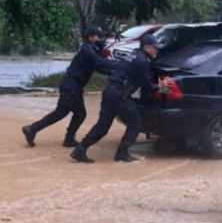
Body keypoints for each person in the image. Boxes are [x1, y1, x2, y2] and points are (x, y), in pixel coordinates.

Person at [70, 34, 168, 163]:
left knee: (102, 126)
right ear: (147, 47)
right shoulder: (142, 61)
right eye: (155, 48)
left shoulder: (132, 55)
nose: (157, 50)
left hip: (109, 92)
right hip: (119, 96)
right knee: (135, 123)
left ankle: (80, 150)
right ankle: (122, 153)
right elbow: (148, 86)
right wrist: (161, 86)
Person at [22, 26, 113, 148]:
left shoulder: (92, 49)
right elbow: (100, 63)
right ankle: (32, 128)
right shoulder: (87, 50)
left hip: (75, 86)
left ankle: (69, 139)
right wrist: (122, 65)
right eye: (99, 36)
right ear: (90, 37)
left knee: (80, 114)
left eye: (102, 37)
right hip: (71, 85)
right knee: (61, 112)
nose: (102, 39)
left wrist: (114, 72)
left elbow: (100, 68)